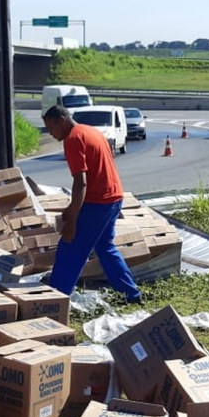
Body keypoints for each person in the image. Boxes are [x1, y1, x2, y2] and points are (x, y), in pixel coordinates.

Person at [42, 105, 142, 303]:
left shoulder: (73, 140)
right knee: (105, 247)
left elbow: (81, 182)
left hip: (98, 203)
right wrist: (71, 210)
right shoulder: (91, 131)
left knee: (70, 248)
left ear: (62, 121)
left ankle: (55, 301)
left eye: (51, 128)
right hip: (114, 198)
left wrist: (71, 222)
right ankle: (132, 294)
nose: (51, 134)